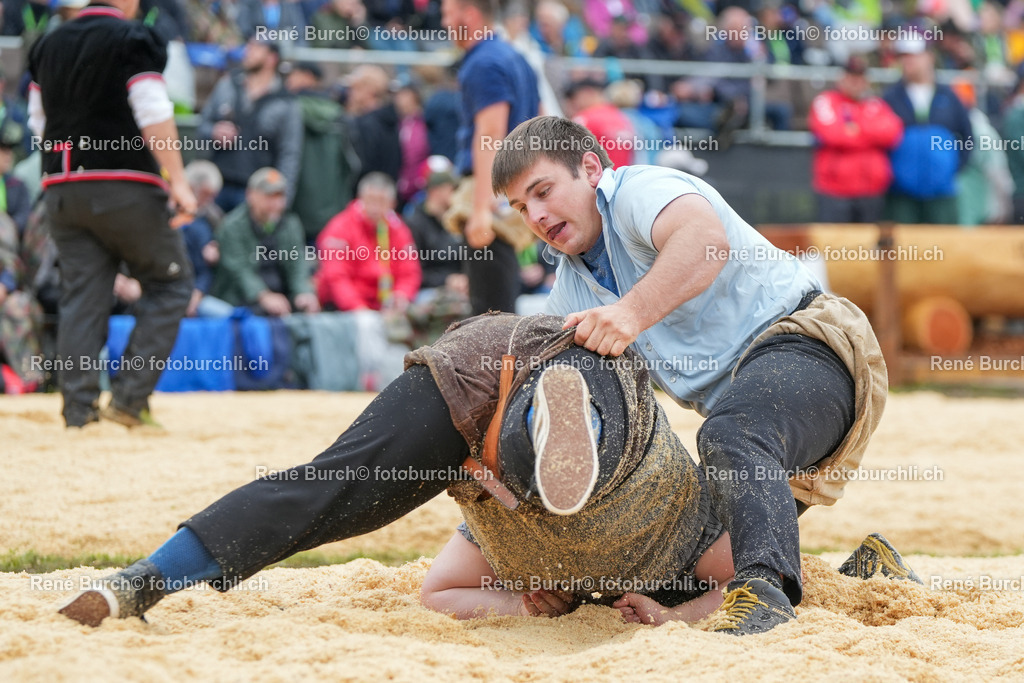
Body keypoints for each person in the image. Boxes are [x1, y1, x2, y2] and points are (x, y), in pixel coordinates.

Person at [56, 313, 918, 631]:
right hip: (570, 398)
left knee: (326, 491)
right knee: (597, 461)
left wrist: (512, 600)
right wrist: (673, 613)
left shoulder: (494, 547)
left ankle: (145, 580)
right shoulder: (705, 535)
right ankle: (550, 422)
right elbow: (747, 583)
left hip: (477, 383)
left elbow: (437, 591)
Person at [490, 116, 887, 634]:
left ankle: (766, 600)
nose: (537, 216)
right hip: (746, 414)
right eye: (521, 207)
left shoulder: (639, 190)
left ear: (590, 169)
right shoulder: (569, 291)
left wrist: (630, 314)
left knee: (729, 434)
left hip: (814, 346)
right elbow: (546, 412)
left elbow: (704, 240)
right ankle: (871, 575)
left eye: (543, 191)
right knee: (672, 559)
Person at [28, 0, 197, 428]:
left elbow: (38, 121)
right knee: (170, 282)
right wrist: (177, 181)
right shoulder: (133, 38)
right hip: (124, 185)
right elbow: (153, 110)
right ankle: (129, 398)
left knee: (82, 297)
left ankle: (79, 412)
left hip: (60, 188)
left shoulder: (47, 44)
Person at [441, 0, 540, 316]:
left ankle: (499, 367)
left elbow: (489, 138)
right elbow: (539, 123)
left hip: (492, 193)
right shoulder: (518, 58)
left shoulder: (483, 63)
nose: (443, 23)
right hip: (513, 189)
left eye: (446, 14)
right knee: (501, 306)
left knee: (490, 317)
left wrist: (481, 209)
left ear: (468, 14)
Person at [198, 36, 302, 212]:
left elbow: (290, 154)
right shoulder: (228, 85)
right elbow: (202, 125)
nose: (247, 52)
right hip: (216, 186)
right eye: (248, 46)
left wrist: (282, 197)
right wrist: (214, 131)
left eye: (255, 48)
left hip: (257, 193)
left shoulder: (286, 102)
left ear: (271, 58)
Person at [882, 34, 972, 224]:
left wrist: (951, 170)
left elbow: (967, 136)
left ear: (929, 57)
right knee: (904, 250)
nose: (908, 61)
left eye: (914, 55)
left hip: (942, 194)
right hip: (901, 195)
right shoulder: (890, 98)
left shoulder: (949, 97)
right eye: (904, 56)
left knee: (944, 248)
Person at [211, 167, 319, 317]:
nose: (275, 203)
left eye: (279, 196)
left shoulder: (290, 224)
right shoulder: (231, 227)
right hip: (241, 300)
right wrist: (263, 295)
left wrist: (303, 292)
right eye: (269, 196)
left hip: (283, 297)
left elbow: (297, 263)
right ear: (251, 195)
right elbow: (239, 271)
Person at [807, 56, 904, 223]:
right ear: (842, 78)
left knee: (868, 247)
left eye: (860, 78)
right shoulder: (826, 101)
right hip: (835, 191)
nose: (856, 82)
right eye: (851, 77)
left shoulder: (876, 105)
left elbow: (893, 133)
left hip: (871, 190)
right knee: (834, 246)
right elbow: (832, 135)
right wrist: (870, 135)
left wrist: (856, 129)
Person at [316, 173, 421, 312]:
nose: (375, 208)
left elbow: (410, 272)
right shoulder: (340, 227)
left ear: (392, 204)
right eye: (371, 200)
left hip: (385, 304)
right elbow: (336, 276)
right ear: (360, 199)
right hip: (346, 309)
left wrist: (401, 295)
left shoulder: (398, 229)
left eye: (382, 201)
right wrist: (357, 308)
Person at [180, 160, 234, 318]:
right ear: (190, 187)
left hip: (202, 291)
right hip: (170, 289)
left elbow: (207, 269)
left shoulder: (214, 217)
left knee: (231, 316)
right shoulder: (167, 214)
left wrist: (220, 251)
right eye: (206, 194)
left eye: (213, 195)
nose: (209, 200)